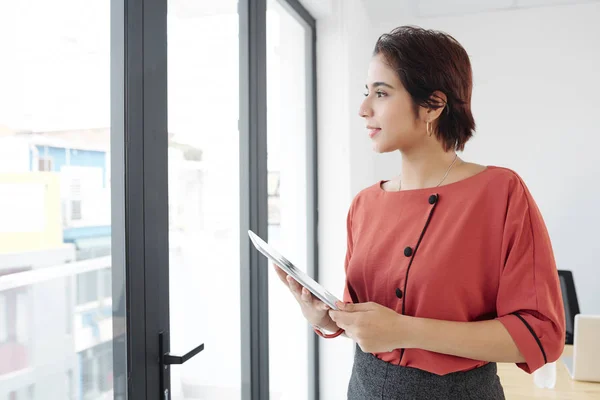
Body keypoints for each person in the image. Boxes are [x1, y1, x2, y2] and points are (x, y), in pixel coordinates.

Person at [273, 25, 565, 399]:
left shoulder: (501, 193)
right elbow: (367, 322)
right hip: (363, 388)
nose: (364, 109)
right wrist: (327, 319)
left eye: (381, 93)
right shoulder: (364, 205)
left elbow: (540, 335)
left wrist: (405, 330)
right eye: (367, 93)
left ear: (433, 105)